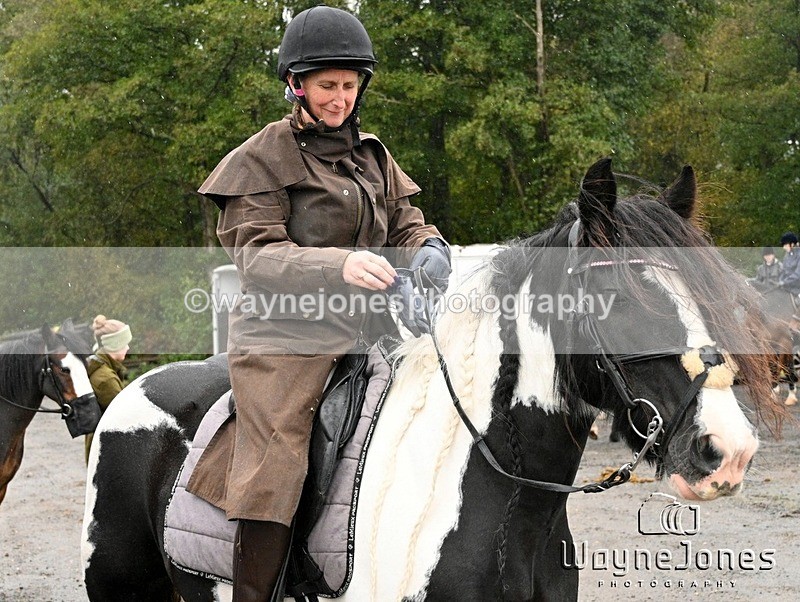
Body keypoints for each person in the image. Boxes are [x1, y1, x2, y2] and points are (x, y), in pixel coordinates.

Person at [184, 7, 449, 601]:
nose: (341, 98)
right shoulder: (261, 157)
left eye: (350, 86)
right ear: (296, 84)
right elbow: (257, 254)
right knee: (277, 458)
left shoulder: (372, 156)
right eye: (328, 85)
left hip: (374, 331)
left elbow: (407, 223)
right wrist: (339, 265)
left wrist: (431, 250)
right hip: (284, 338)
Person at [84, 314, 132, 463]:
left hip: (104, 447)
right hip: (108, 453)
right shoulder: (105, 379)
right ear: (115, 345)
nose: (128, 348)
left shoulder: (104, 369)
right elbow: (126, 416)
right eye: (125, 343)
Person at [779, 232, 800, 297]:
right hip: (788, 286)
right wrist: (780, 280)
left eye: (785, 245)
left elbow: (797, 274)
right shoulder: (787, 255)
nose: (784, 248)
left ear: (792, 244)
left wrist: (784, 281)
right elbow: (783, 271)